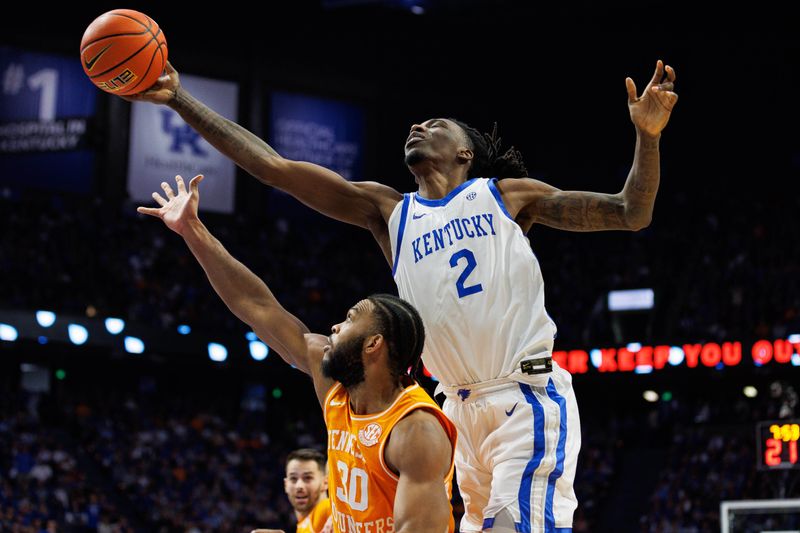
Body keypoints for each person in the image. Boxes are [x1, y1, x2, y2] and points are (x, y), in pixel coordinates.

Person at [126, 59, 678, 532]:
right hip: (455, 410)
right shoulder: (389, 213)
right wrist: (180, 97)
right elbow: (273, 169)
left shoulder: (505, 197)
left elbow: (632, 213)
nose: (416, 125)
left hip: (523, 399)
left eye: (435, 125)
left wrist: (647, 138)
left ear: (466, 153)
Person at [137, 174, 458, 533]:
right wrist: (192, 230)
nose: (334, 327)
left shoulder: (416, 430)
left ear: (373, 344)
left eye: (350, 319)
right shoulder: (336, 388)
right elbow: (256, 306)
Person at [252, 448, 332, 533]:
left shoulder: (325, 508)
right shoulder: (303, 526)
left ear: (325, 483)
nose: (299, 486)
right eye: (293, 478)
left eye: (308, 478)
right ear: (286, 484)